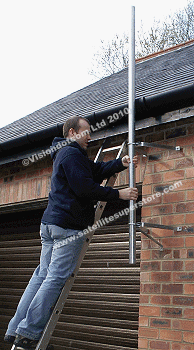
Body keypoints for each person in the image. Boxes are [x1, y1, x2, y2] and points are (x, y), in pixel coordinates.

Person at [5, 116, 138, 349]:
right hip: (67, 226)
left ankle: (16, 327)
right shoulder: (72, 154)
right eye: (86, 132)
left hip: (51, 224)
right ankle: (28, 331)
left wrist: (121, 163)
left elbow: (93, 171)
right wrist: (120, 195)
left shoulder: (66, 153)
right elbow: (84, 187)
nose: (90, 136)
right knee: (55, 278)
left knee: (41, 276)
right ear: (72, 133)